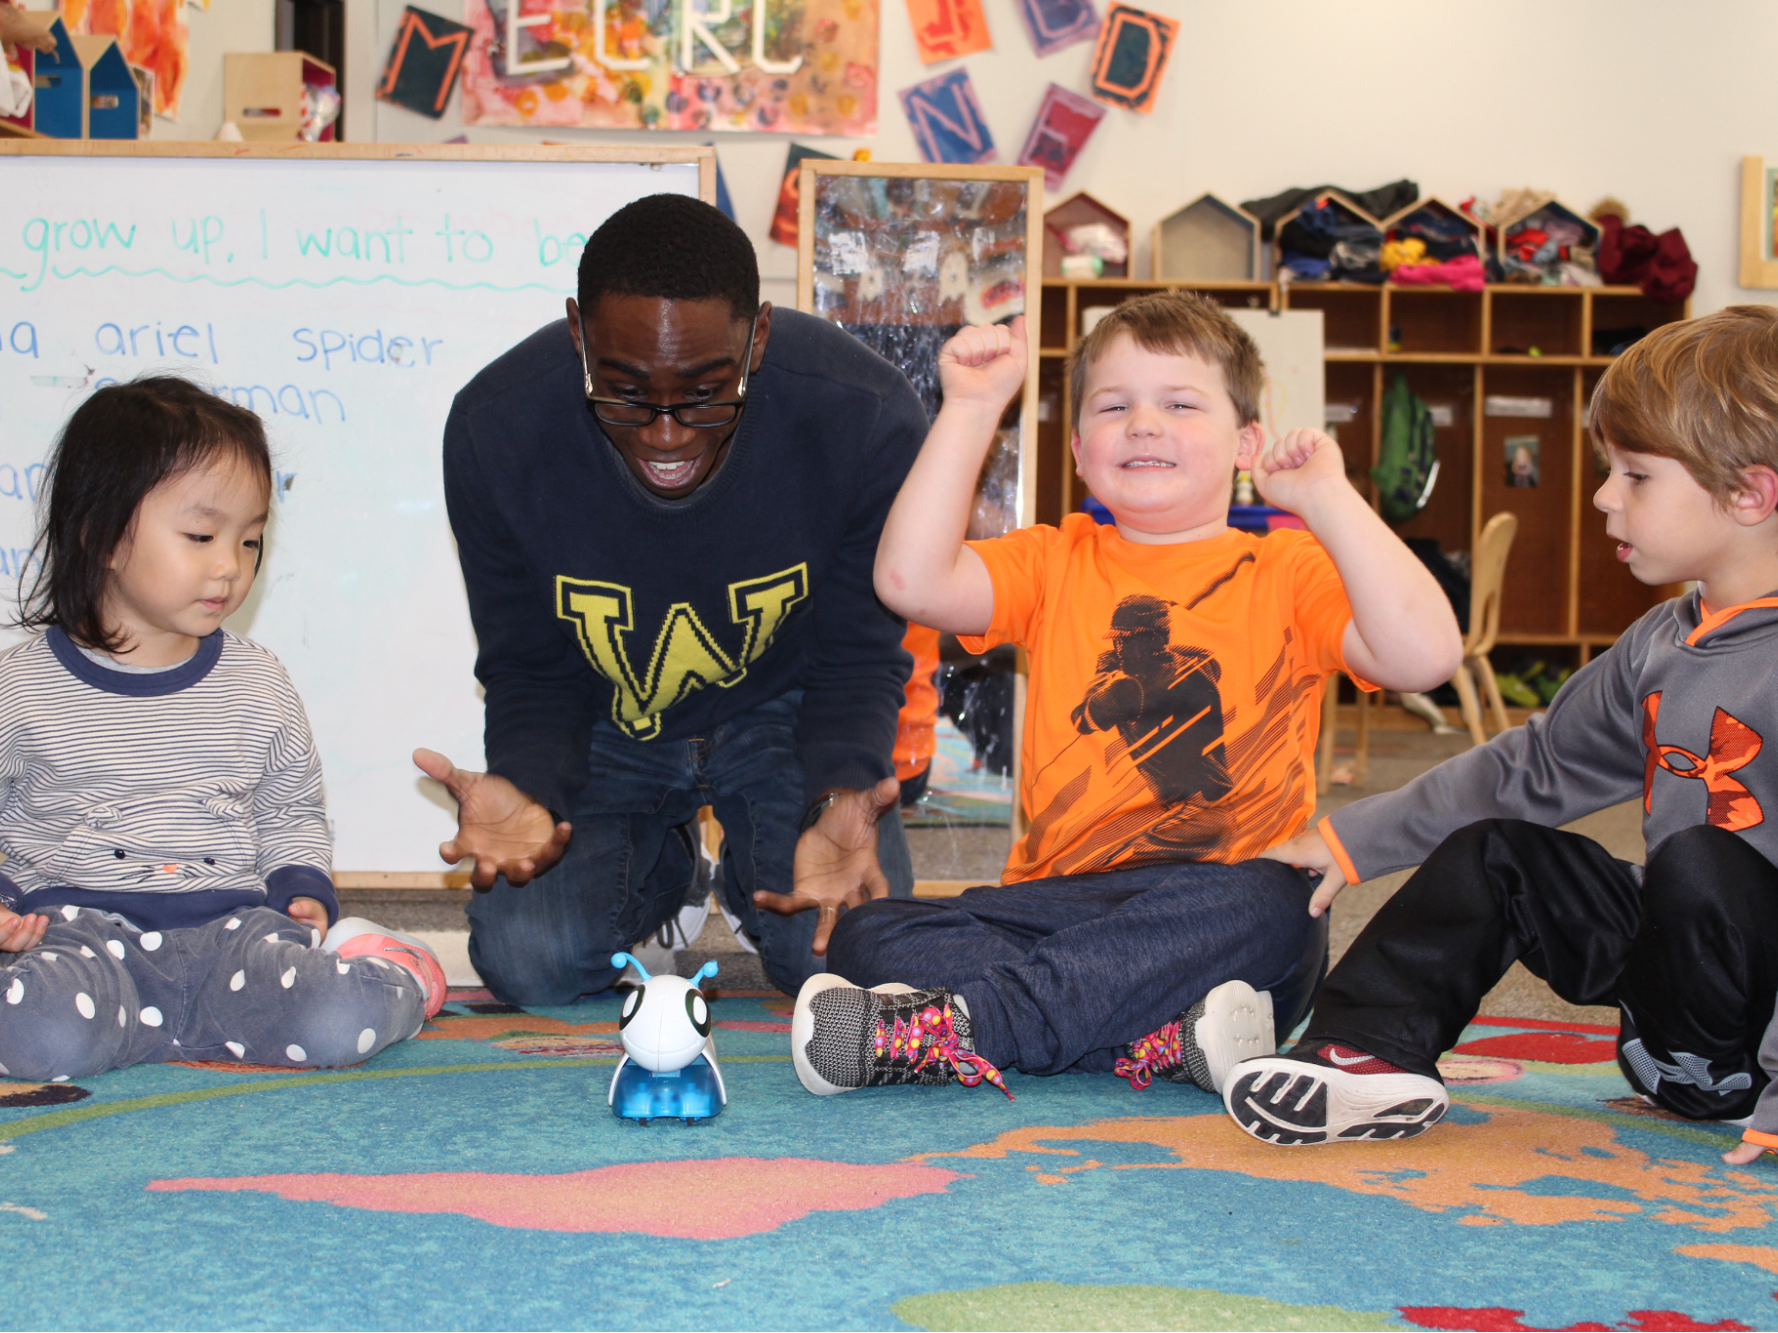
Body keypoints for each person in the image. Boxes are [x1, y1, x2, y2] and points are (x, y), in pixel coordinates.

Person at [791, 291, 1462, 1097]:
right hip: (1062, 902)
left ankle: (969, 1025)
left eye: (1180, 403)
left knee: (1282, 902)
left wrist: (1327, 498)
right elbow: (909, 579)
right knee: (871, 931)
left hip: (1222, 907)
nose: (1144, 422)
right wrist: (971, 409)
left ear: (1246, 440)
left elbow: (1425, 655)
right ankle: (1157, 1040)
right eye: (1115, 406)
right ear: (1078, 449)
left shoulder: (1287, 571)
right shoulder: (1056, 558)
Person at [1226, 307, 1778, 1163]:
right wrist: (1357, 834)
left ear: (1749, 492)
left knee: (1702, 861)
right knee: (1499, 855)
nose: (1602, 495)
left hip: (1756, 1040)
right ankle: (1361, 1052)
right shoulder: (1664, 638)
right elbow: (1537, 767)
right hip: (1676, 1015)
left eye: (1634, 475)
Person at [420, 194, 925, 1003]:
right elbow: (530, 665)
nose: (665, 432)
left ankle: (753, 866)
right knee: (530, 963)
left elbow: (858, 654)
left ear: (756, 338)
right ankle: (669, 874)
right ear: (578, 335)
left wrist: (841, 789)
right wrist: (528, 780)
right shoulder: (495, 428)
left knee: (855, 964)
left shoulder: (863, 417)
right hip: (608, 711)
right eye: (622, 392)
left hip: (786, 709)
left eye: (704, 392)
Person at [0, 377, 444, 1082]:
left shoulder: (257, 681)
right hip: (80, 939)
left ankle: (400, 975)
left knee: (333, 1022)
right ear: (101, 535)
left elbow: (289, 805)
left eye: (249, 540)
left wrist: (301, 883)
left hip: (231, 938)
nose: (229, 567)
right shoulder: (19, 687)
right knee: (40, 1036)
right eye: (202, 536)